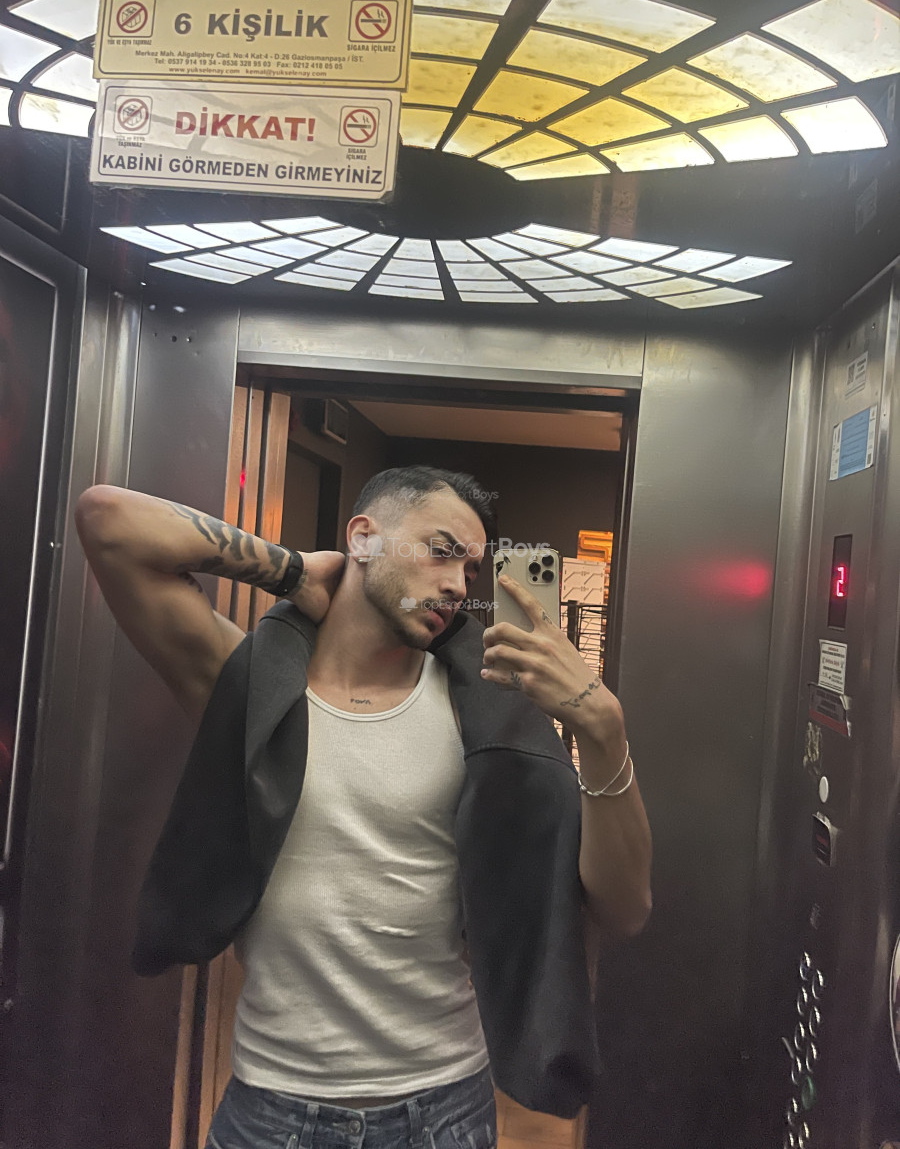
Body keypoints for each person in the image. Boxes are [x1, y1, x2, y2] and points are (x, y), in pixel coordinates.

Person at [75, 465, 652, 1149]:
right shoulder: (251, 686)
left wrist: (604, 729)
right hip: (270, 1111)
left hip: (442, 1111)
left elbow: (625, 908)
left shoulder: (484, 718)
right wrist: (292, 572)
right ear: (364, 537)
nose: (457, 584)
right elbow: (107, 519)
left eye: (470, 569)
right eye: (441, 551)